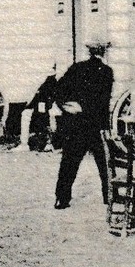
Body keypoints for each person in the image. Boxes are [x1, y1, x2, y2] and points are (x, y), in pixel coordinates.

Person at [53, 40, 114, 209]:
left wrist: (67, 107)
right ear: (104, 52)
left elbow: (57, 90)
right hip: (95, 126)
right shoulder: (107, 72)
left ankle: (61, 199)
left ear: (90, 52)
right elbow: (103, 103)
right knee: (105, 163)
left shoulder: (76, 68)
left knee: (68, 163)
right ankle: (109, 197)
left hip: (75, 126)